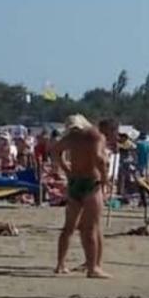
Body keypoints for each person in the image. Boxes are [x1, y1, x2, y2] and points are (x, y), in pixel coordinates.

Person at [53, 115, 110, 278]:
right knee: (91, 227)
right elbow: (99, 158)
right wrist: (105, 178)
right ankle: (93, 268)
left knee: (69, 227)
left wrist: (66, 169)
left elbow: (56, 150)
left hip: (75, 182)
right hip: (90, 181)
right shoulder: (95, 136)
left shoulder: (71, 137)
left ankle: (60, 264)